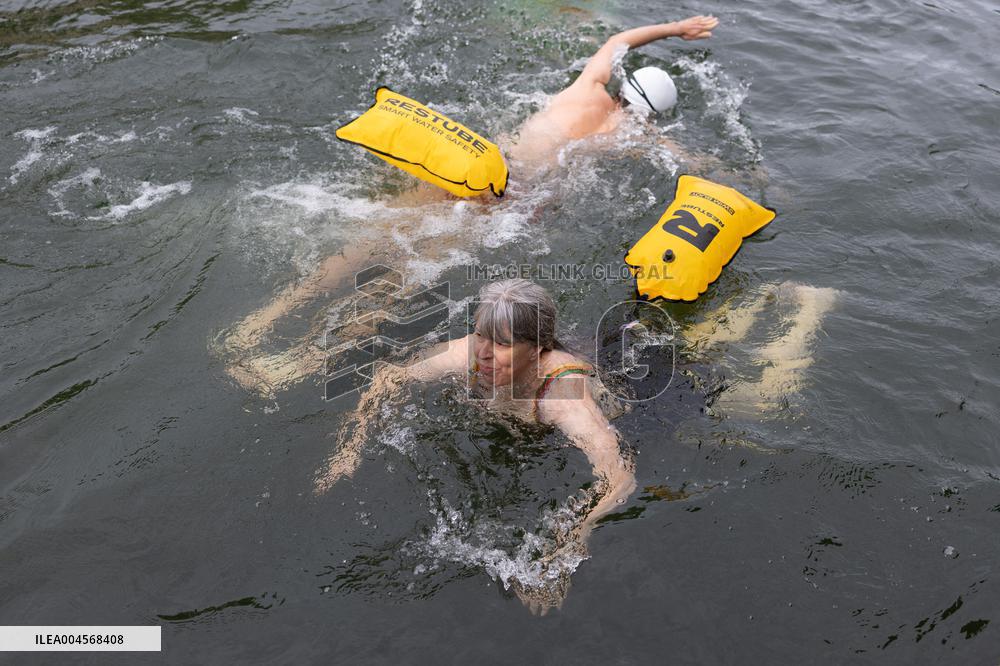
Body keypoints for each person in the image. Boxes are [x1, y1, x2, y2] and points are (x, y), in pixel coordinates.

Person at [221, 15, 719, 395]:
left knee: (371, 241)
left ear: (622, 83)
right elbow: (688, 159)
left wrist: (679, 28)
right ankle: (300, 362)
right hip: (503, 199)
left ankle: (261, 323)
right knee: (401, 271)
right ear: (651, 115)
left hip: (473, 165)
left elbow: (620, 42)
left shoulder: (586, 86)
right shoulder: (626, 134)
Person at [314, 278, 636, 613]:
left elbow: (619, 476)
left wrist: (567, 544)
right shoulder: (470, 353)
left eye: (501, 343)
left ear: (538, 347)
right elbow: (390, 378)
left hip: (625, 388)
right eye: (480, 333)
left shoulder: (564, 397)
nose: (482, 353)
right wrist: (348, 449)